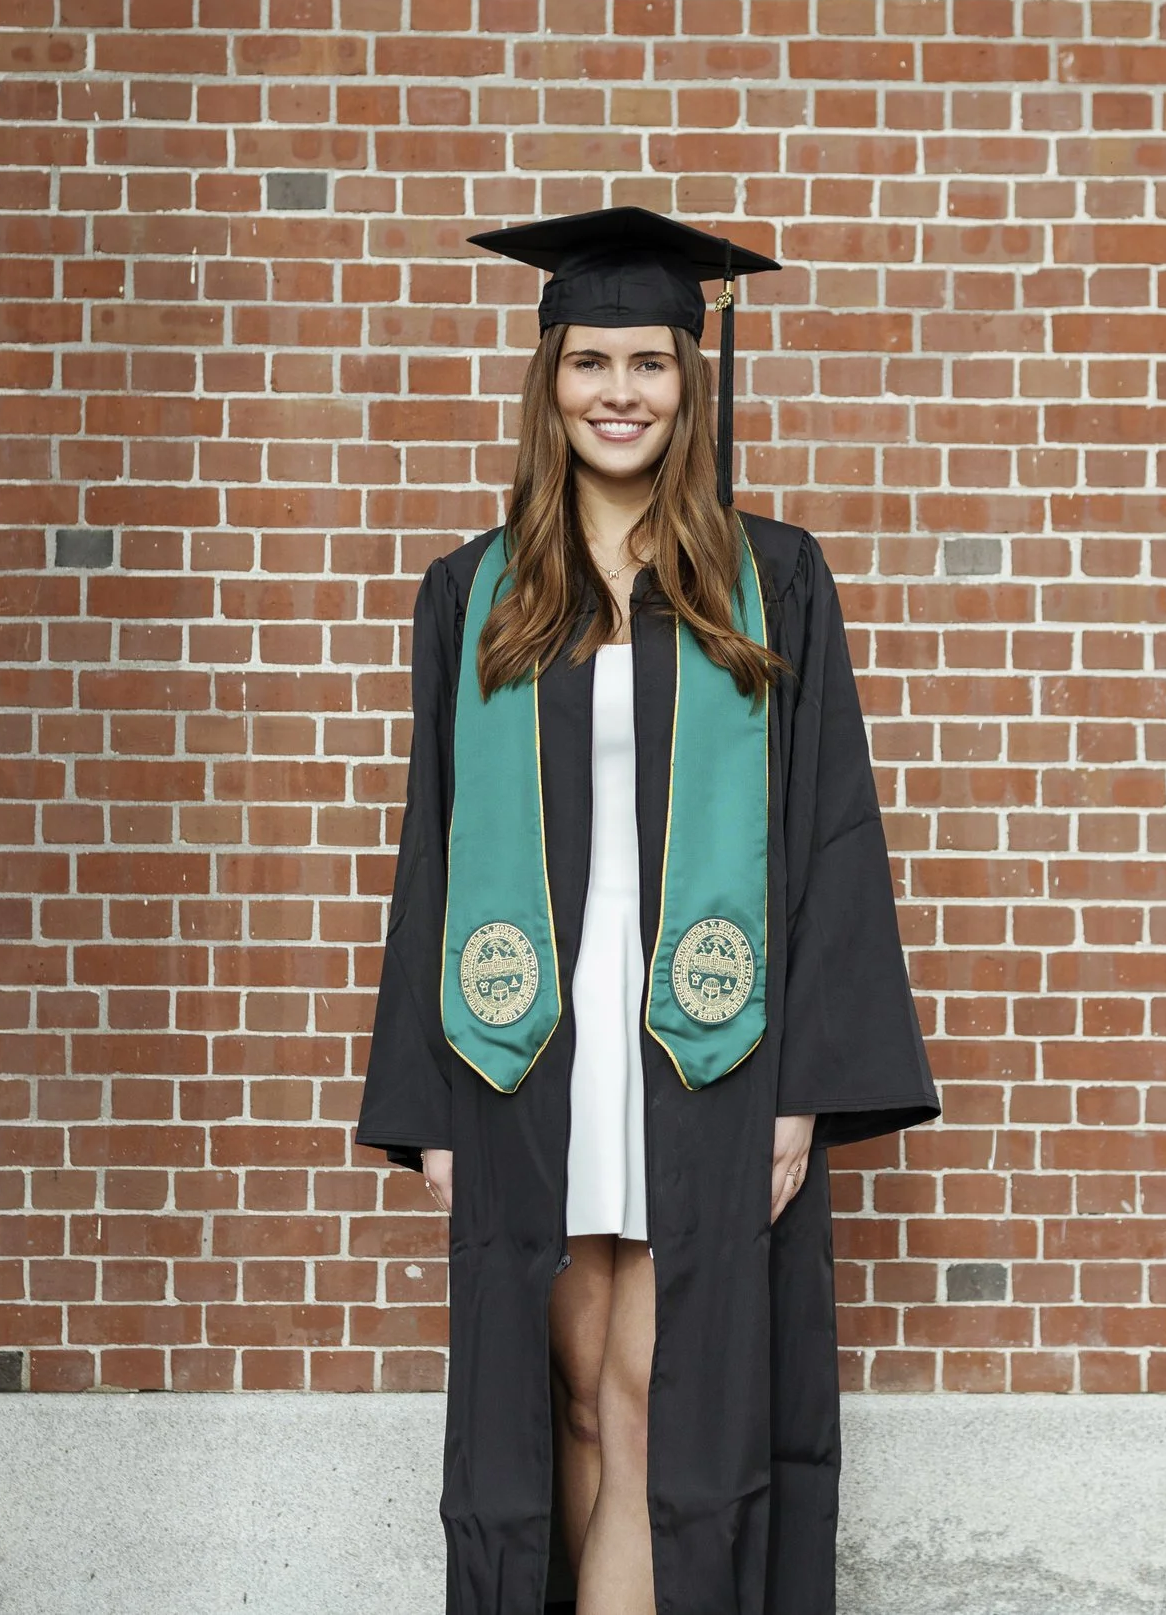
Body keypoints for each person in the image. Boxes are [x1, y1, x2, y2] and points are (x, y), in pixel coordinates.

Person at [355, 205, 939, 1615]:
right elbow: (430, 846)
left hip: (704, 1052)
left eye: (650, 363)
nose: (620, 392)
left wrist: (803, 1088)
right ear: (548, 384)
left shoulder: (772, 581)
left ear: (692, 381)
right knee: (564, 1396)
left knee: (653, 1394)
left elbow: (828, 835)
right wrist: (431, 1098)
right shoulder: (474, 595)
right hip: (533, 1052)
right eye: (590, 362)